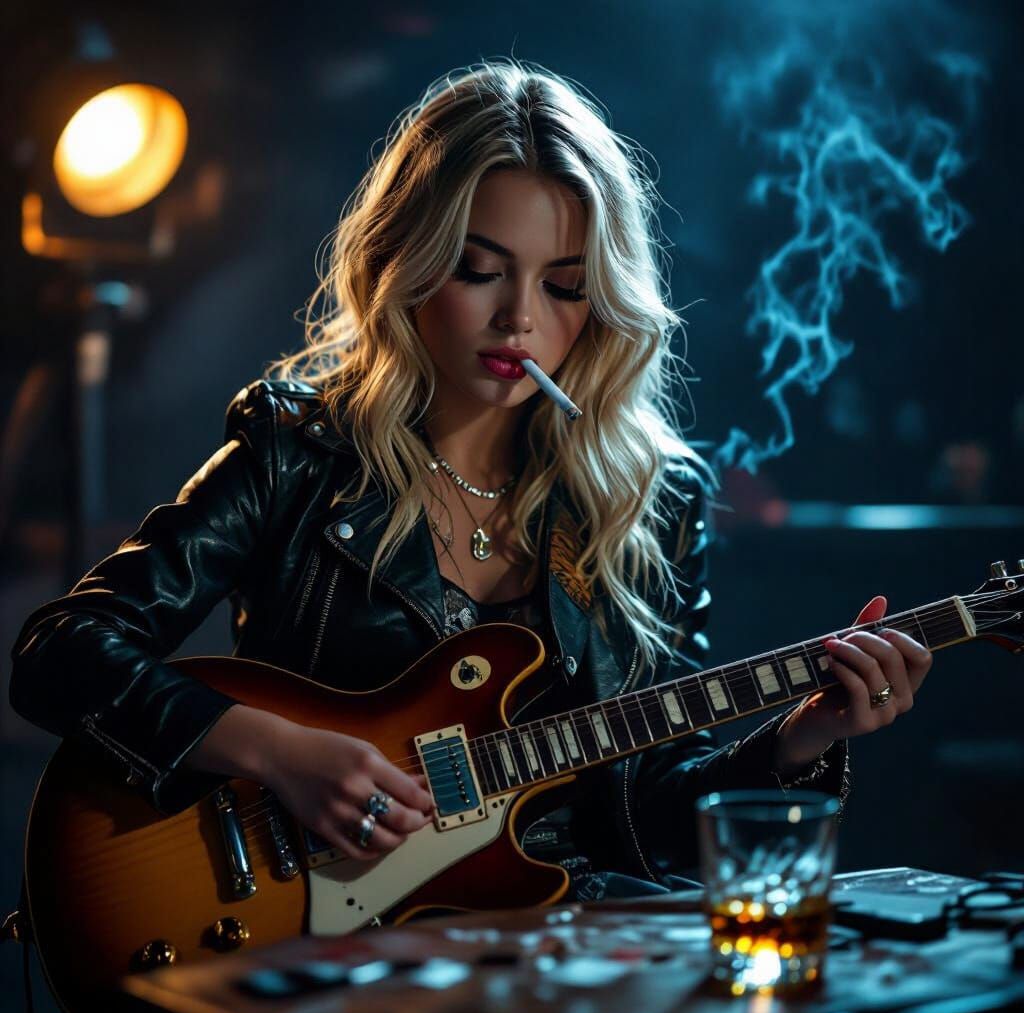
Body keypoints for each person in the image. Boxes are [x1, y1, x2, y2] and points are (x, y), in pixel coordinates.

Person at [8, 58, 933, 905]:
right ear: (407, 265)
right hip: (311, 934)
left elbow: (650, 811)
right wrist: (275, 750)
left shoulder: (654, 497)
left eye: (565, 286)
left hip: (565, 931)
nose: (519, 319)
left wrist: (802, 737)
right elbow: (60, 648)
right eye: (480, 270)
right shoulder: (298, 451)